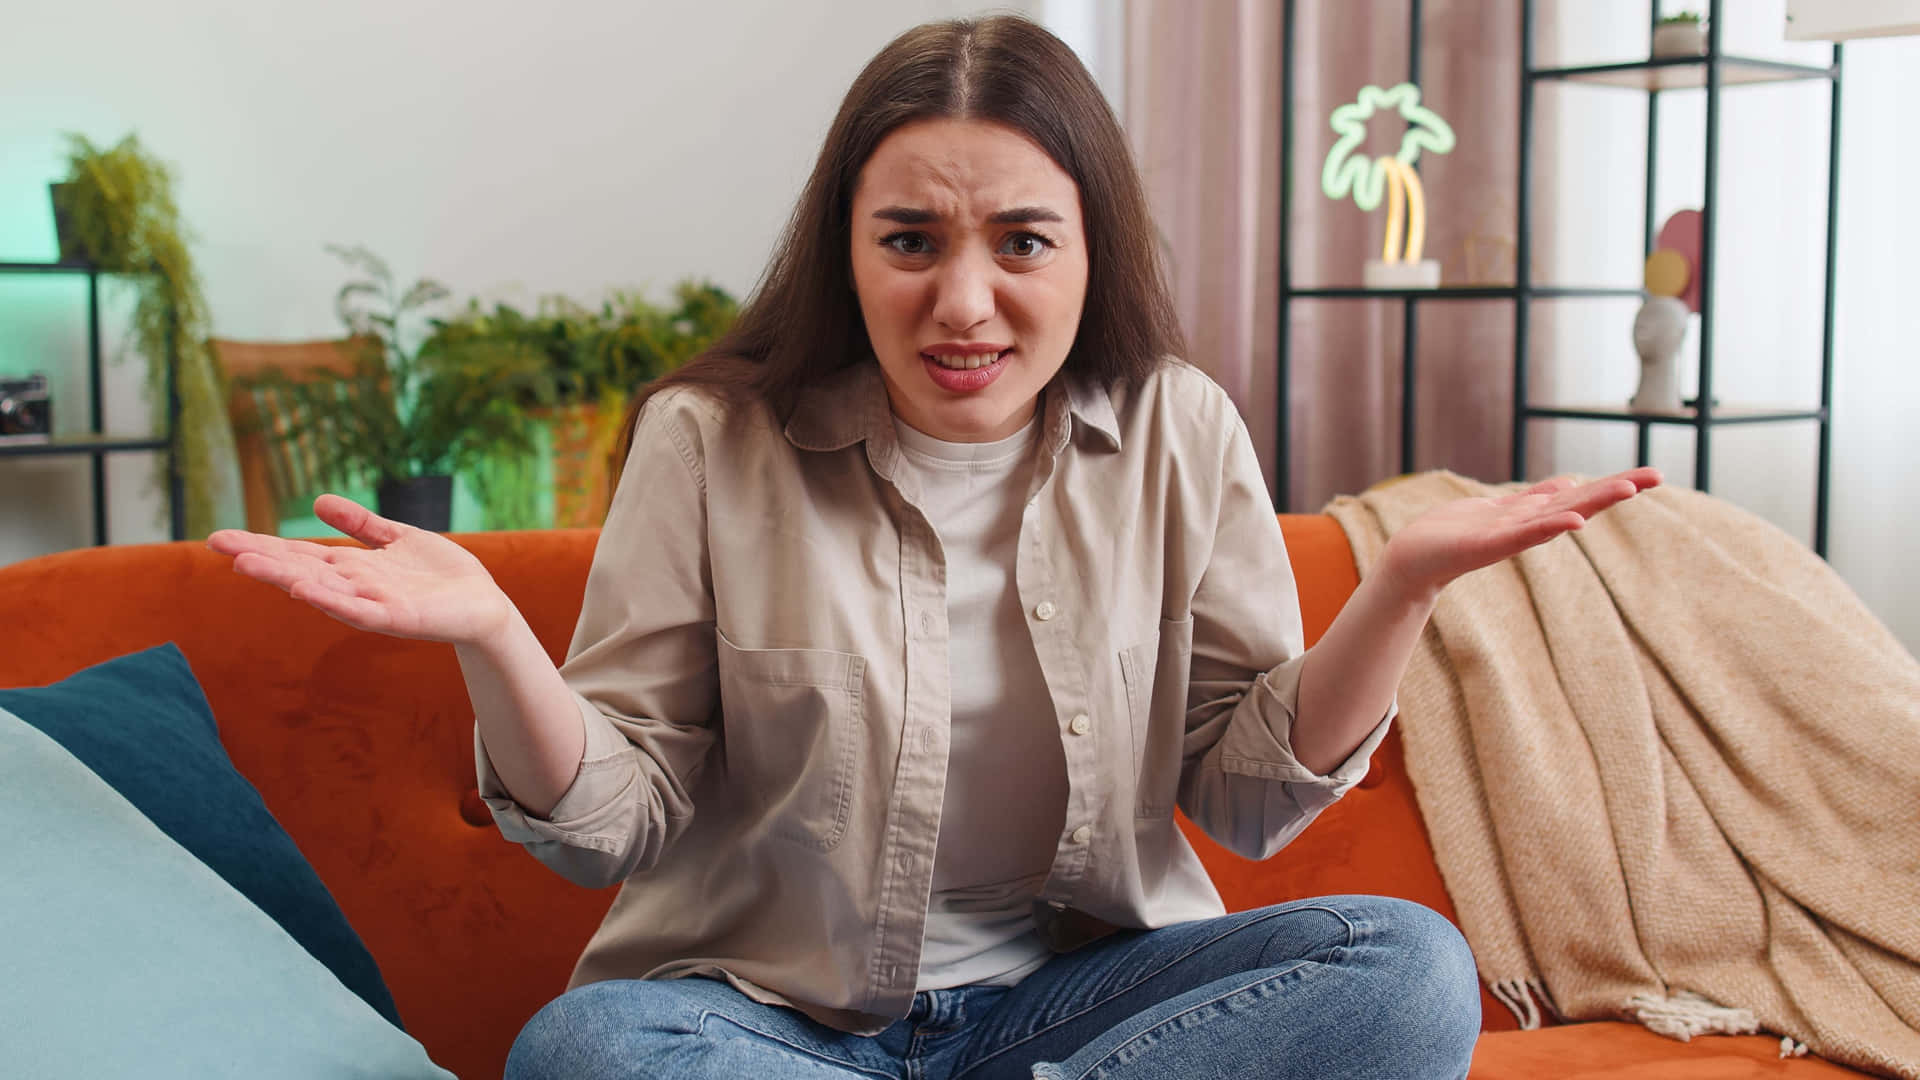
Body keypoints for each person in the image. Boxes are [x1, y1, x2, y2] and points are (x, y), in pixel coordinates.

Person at [209, 15, 1660, 1080]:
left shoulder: (1176, 428)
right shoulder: (711, 442)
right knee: (587, 1051)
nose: (964, 300)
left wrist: (1398, 586)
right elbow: (616, 826)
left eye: (1022, 242)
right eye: (912, 240)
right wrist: (492, 639)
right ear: (848, 250)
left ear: (1092, 254)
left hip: (1079, 1006)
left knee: (1404, 973)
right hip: (764, 1020)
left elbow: (1253, 791)